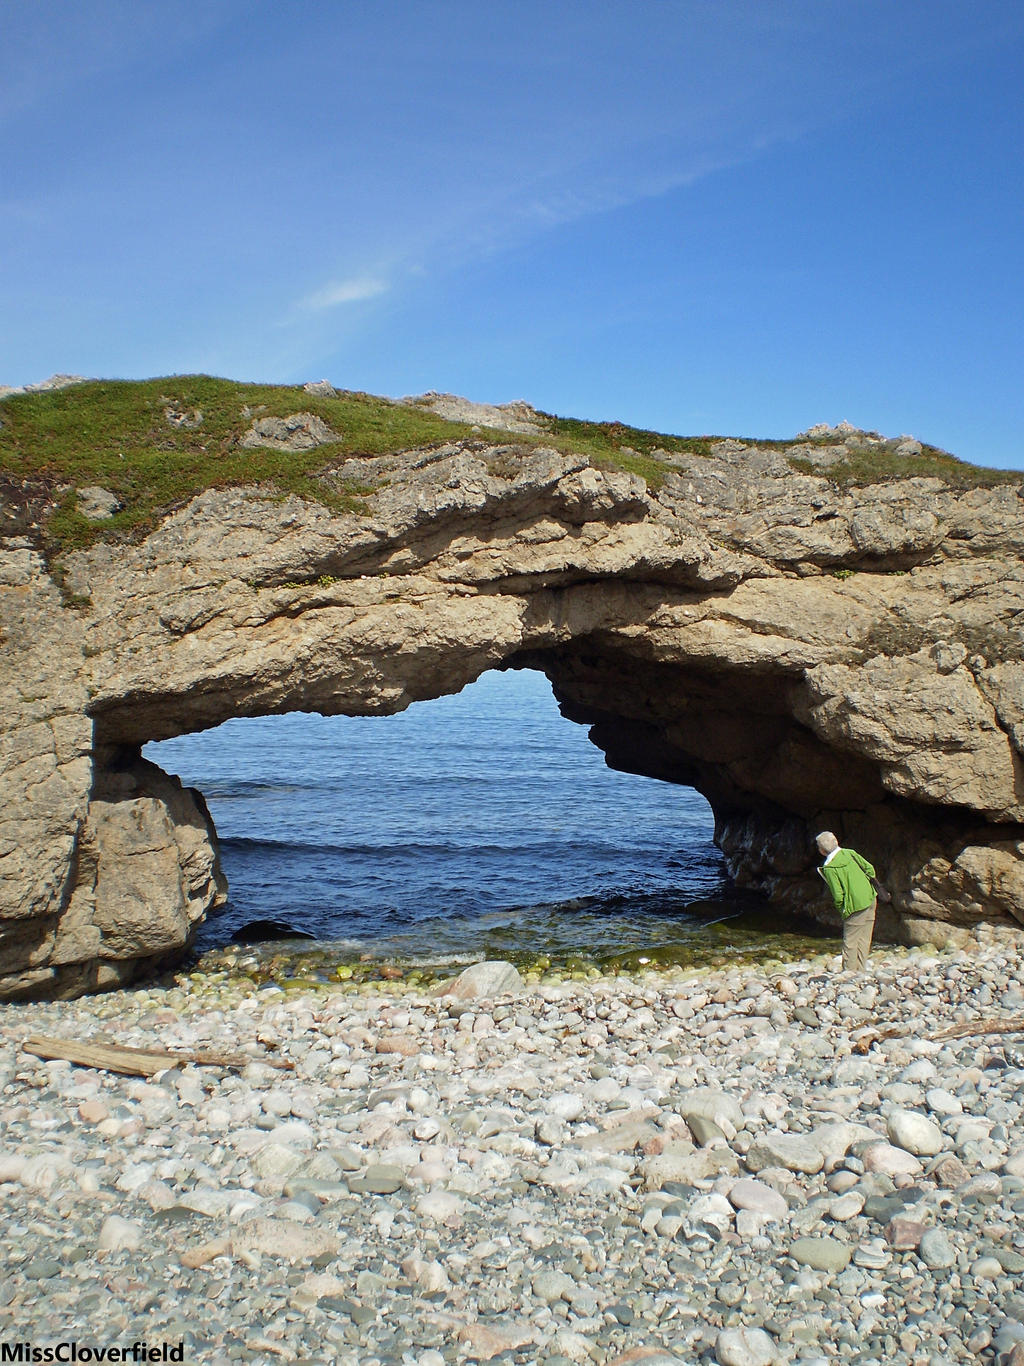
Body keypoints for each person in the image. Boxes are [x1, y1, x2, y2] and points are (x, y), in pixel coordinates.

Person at [816, 831, 877, 972]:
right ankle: (861, 970)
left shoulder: (830, 867)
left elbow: (838, 895)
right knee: (864, 938)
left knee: (850, 941)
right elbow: (870, 869)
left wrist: (842, 909)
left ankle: (849, 974)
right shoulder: (850, 853)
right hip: (870, 897)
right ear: (836, 841)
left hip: (854, 905)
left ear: (822, 851)